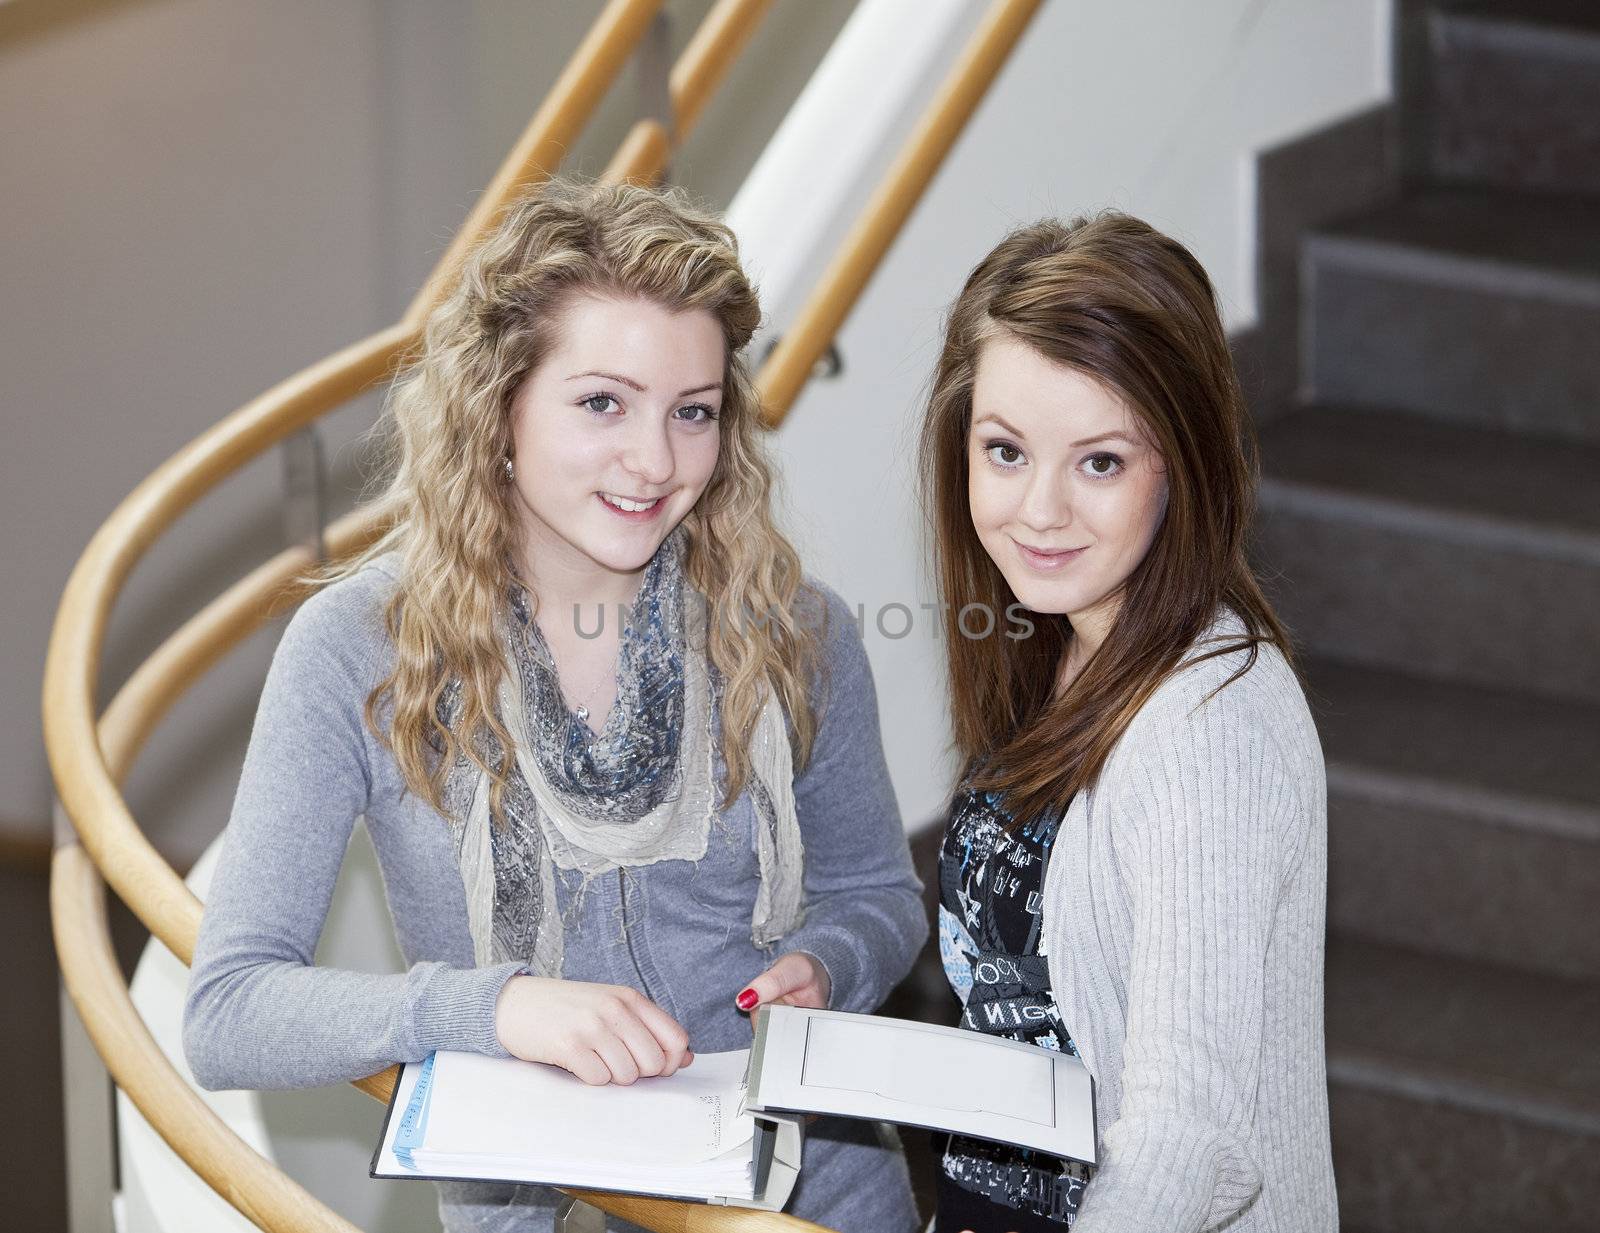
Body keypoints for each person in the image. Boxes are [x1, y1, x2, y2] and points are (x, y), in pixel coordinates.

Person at [183, 178, 925, 1233]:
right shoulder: (357, 650)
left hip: (806, 1200)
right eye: (601, 403)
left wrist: (826, 964)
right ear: (498, 408)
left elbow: (879, 895)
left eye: (693, 413)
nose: (655, 462)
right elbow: (229, 1013)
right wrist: (493, 1009)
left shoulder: (799, 629)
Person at [917, 214, 1337, 1233]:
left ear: (1183, 465)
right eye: (1005, 451)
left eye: (1099, 462)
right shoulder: (1053, 641)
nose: (1040, 510)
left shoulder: (1208, 731)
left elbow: (1188, 1148)